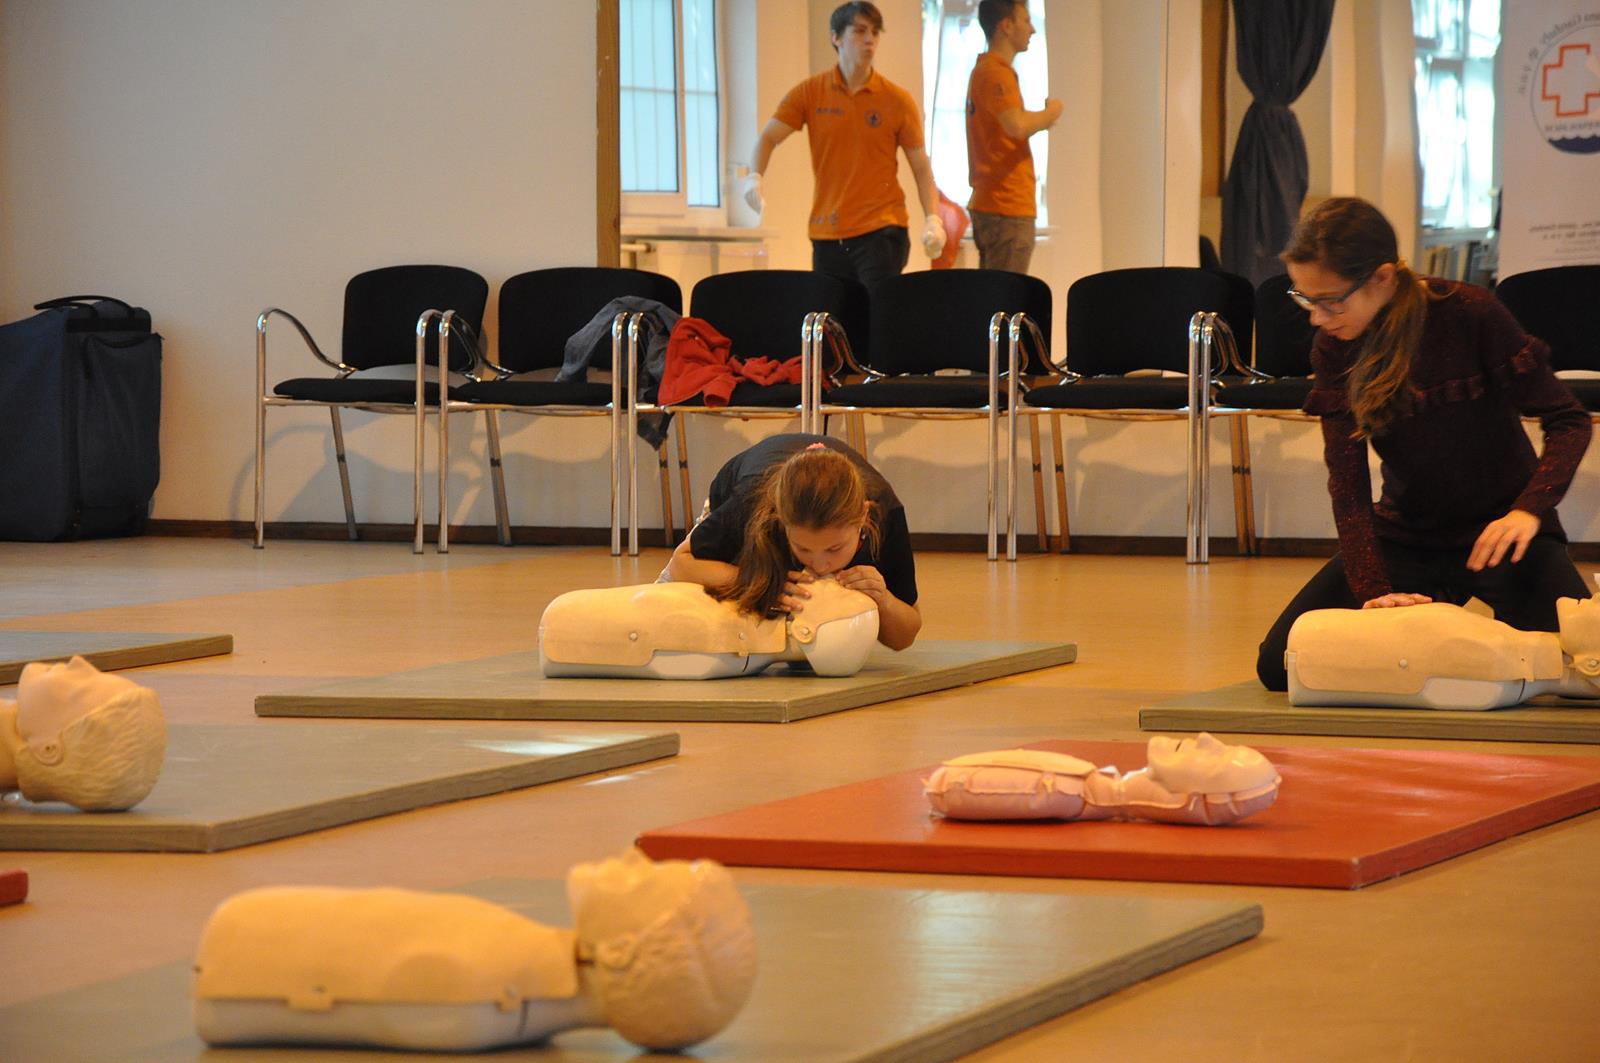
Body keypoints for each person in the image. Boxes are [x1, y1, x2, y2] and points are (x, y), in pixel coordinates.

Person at [1256, 197, 1593, 691]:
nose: (1317, 318)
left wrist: (1528, 511)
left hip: (1501, 536)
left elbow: (1569, 420)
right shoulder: (1335, 345)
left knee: (1587, 664)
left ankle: (1471, 643)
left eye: (1330, 301)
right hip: (1407, 538)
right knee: (1279, 666)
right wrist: (1374, 590)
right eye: (1306, 299)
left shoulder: (1470, 312)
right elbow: (1347, 483)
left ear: (1382, 277)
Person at [193, 848, 758, 1053]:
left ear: (621, 954)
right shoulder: (500, 972)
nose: (633, 861)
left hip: (239, 945)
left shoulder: (484, 977)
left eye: (645, 881)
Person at [741, 2, 944, 287]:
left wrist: (933, 218)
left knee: (876, 308)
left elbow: (921, 166)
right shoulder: (811, 92)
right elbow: (768, 137)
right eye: (859, 31)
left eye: (875, 32)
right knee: (832, 311)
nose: (869, 39)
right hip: (827, 233)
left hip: (881, 229)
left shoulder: (896, 100)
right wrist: (754, 176)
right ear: (835, 37)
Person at [666, 433, 921, 650]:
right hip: (744, 491)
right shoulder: (751, 504)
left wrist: (883, 599)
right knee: (679, 621)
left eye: (835, 548)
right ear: (781, 521)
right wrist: (757, 582)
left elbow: (904, 638)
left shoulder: (885, 511)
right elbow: (682, 564)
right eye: (803, 548)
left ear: (863, 516)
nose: (820, 565)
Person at [965, 0, 1061, 274]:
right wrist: (1051, 113)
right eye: (1026, 21)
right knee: (1007, 293)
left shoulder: (986, 71)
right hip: (1006, 206)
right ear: (1006, 26)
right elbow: (1017, 125)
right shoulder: (996, 73)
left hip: (996, 204)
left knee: (996, 290)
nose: (1032, 29)